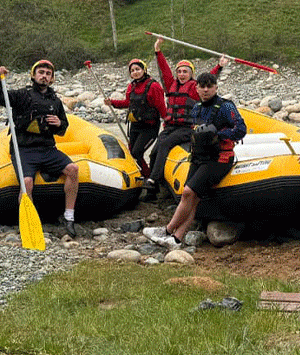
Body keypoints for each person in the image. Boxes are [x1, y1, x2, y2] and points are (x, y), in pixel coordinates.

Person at [143, 72, 245, 250]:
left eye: (209, 86)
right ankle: (177, 239)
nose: (206, 90)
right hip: (199, 157)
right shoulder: (197, 108)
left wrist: (217, 134)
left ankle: (167, 231)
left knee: (188, 192)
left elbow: (241, 129)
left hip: (219, 158)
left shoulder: (226, 107)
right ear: (196, 88)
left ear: (216, 87)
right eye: (202, 86)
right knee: (193, 198)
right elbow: (193, 130)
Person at [0, 60, 80, 238]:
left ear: (51, 79)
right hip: (23, 149)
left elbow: (63, 129)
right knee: (27, 182)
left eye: (48, 73)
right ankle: (28, 219)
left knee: (73, 169)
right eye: (41, 72)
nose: (44, 76)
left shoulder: (56, 101)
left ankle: (69, 216)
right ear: (33, 75)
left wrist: (60, 123)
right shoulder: (22, 95)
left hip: (47, 149)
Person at [142, 37, 226, 202]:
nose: (181, 74)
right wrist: (157, 50)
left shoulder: (196, 88)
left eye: (185, 72)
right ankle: (154, 189)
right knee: (154, 152)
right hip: (170, 127)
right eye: (179, 71)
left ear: (191, 74)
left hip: (187, 129)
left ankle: (152, 181)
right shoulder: (170, 84)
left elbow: (210, 77)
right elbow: (164, 69)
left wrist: (220, 65)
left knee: (165, 144)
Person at [105, 58, 166, 177]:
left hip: (150, 127)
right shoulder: (131, 86)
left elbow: (161, 107)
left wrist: (167, 123)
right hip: (135, 126)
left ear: (144, 70)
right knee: (132, 154)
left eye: (137, 69)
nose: (135, 72)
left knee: (137, 152)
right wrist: (112, 102)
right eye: (132, 71)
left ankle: (149, 177)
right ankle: (141, 175)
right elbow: (127, 103)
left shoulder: (154, 86)